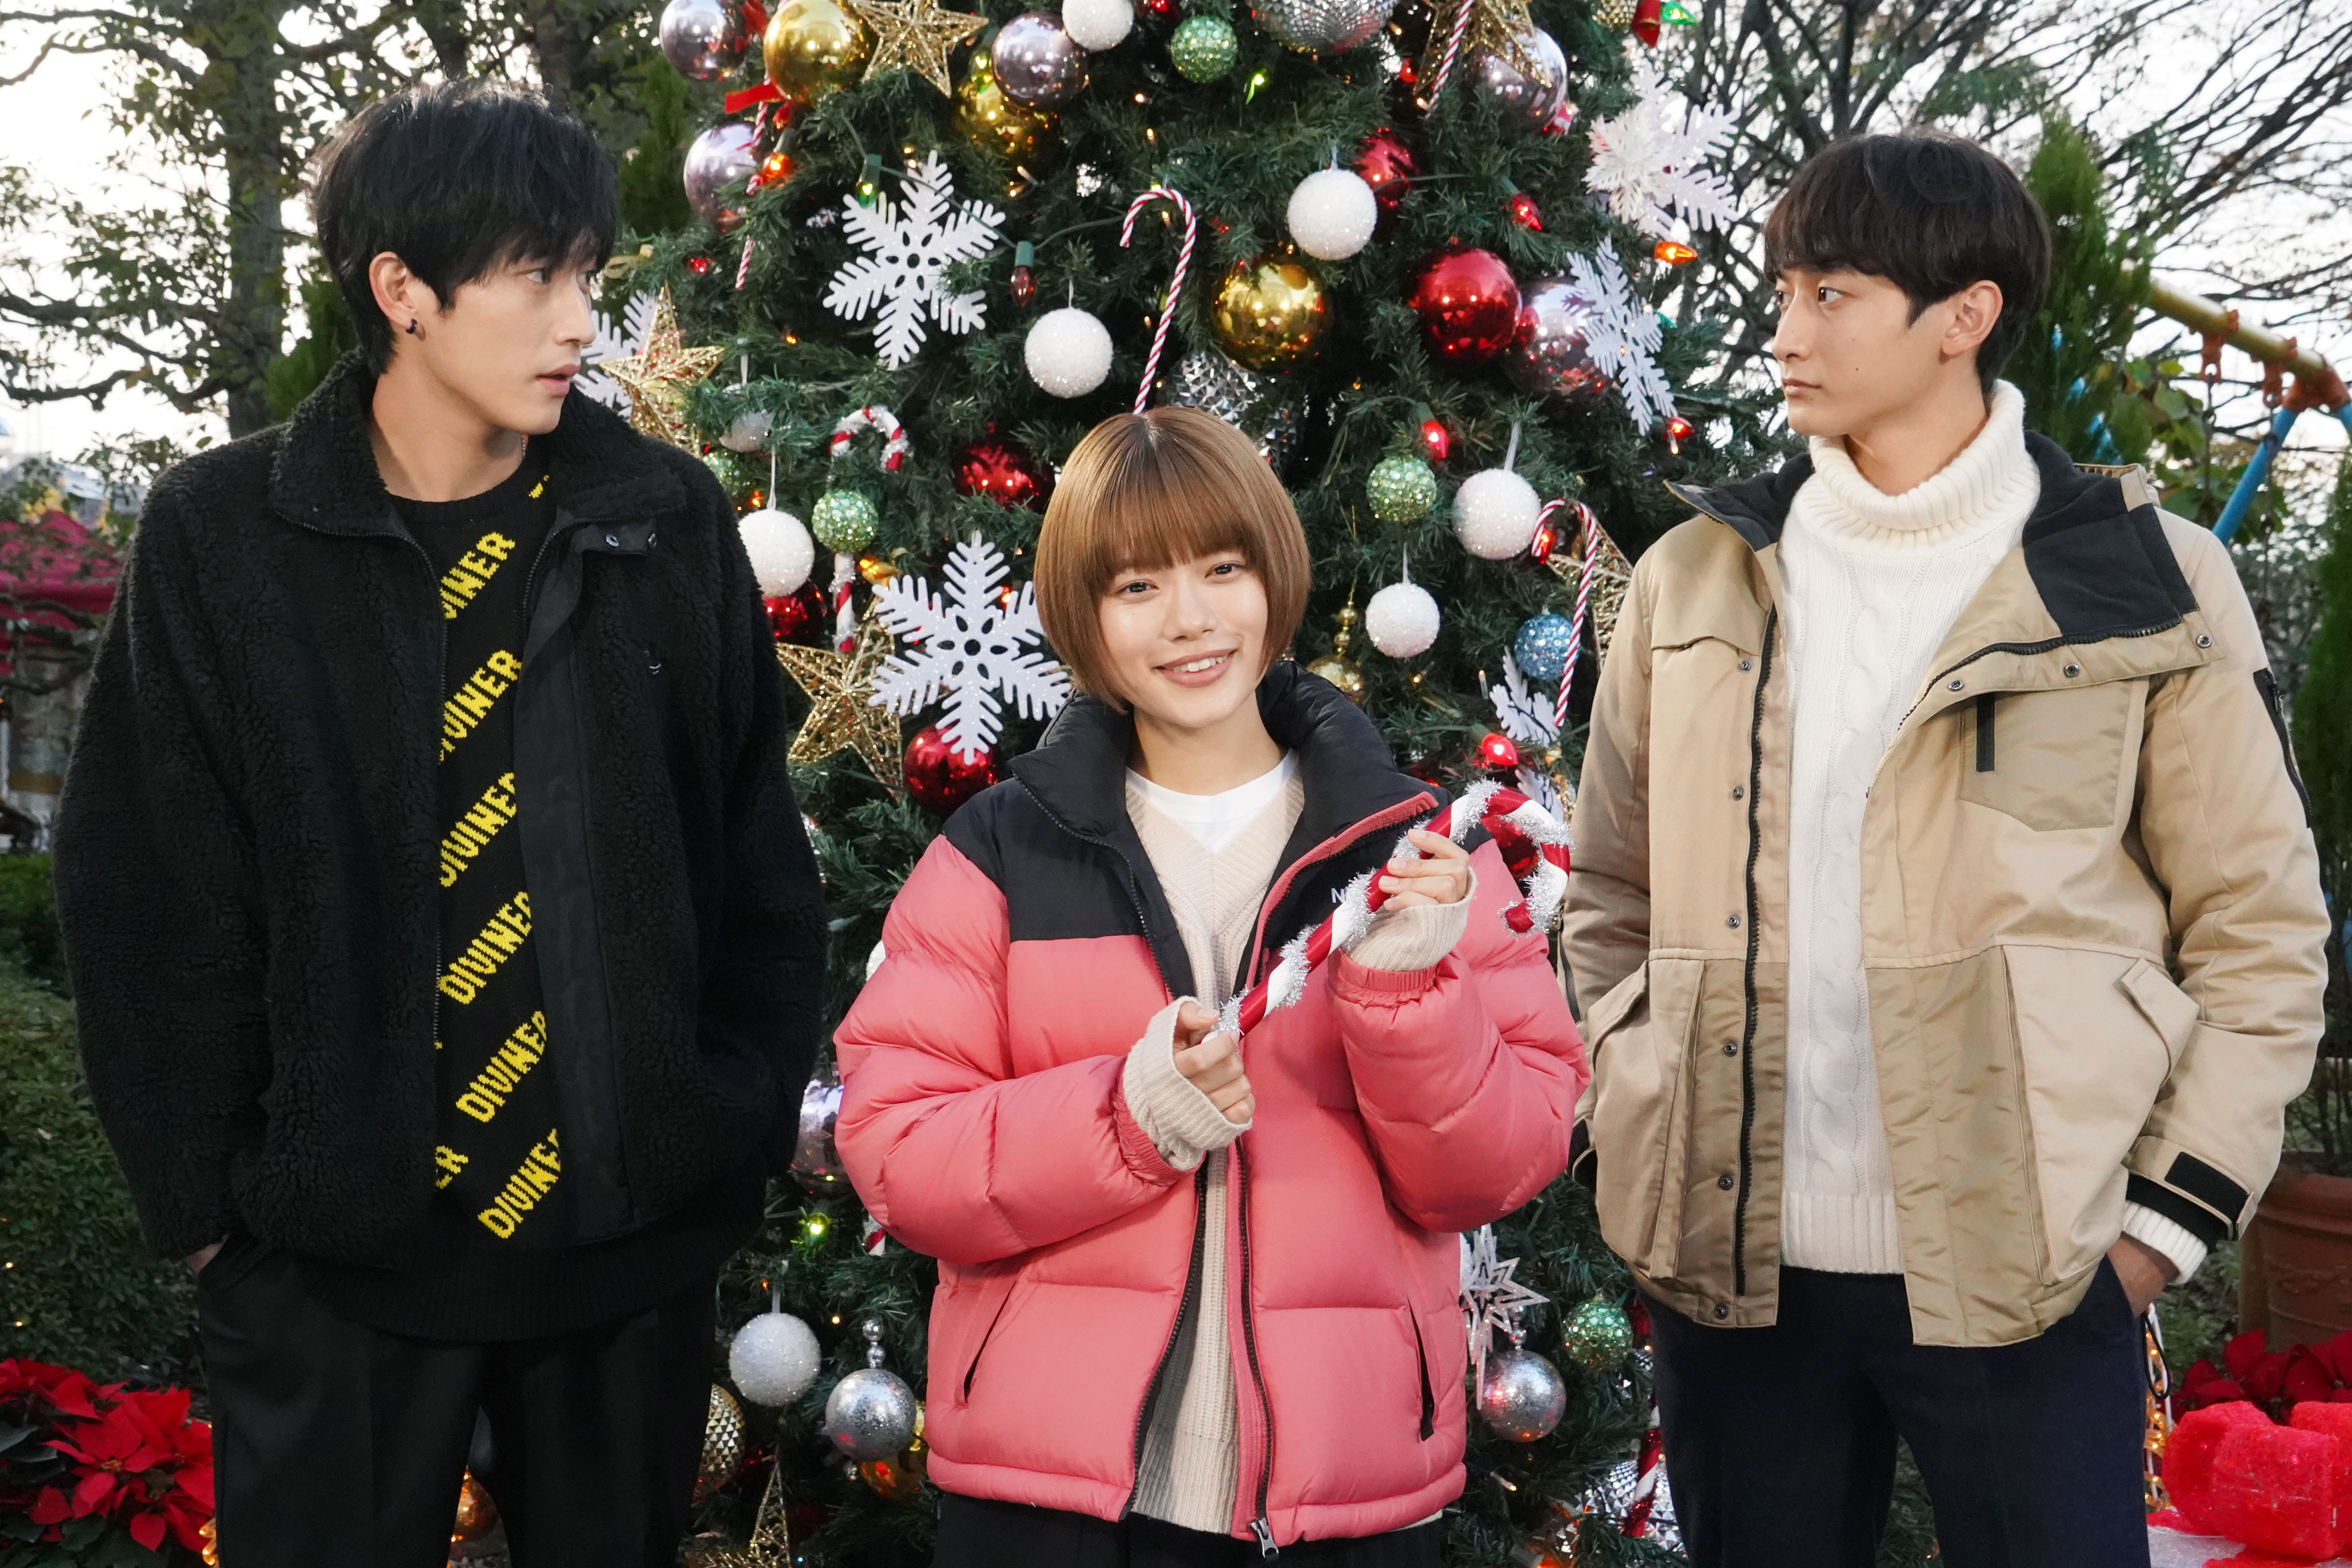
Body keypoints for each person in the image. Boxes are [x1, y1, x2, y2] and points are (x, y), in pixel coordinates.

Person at [52, 81, 826, 1568]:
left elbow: (753, 866)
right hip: (330, 1280)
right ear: (401, 287)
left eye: (587, 274)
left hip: (625, 1271)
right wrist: (218, 1225)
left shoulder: (665, 520)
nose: (580, 322)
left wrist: (716, 1136)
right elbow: (147, 896)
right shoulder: (222, 536)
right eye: (536, 277)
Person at [1562, 130, 2331, 1568]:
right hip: (1733, 1271)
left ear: (1961, 316)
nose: (1784, 332)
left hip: (2034, 1270)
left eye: (1830, 294)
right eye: (1781, 291)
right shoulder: (1692, 574)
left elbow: (2259, 930)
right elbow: (1608, 885)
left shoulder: (2140, 578)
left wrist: (2157, 1229)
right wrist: (1632, 1092)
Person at [831, 407, 1586, 1566]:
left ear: (1271, 578)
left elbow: (1494, 1167)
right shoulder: (998, 854)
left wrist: (1408, 994)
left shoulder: (1417, 849)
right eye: (1136, 587)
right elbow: (899, 1155)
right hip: (1055, 1508)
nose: (1189, 619)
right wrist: (1128, 1118)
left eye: (1222, 569)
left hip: (1346, 1500)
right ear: (1084, 616)